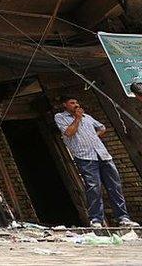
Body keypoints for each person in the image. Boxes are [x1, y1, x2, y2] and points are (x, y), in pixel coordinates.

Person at [54, 95, 139, 228]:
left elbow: (102, 127)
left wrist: (95, 135)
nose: (76, 105)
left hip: (103, 155)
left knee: (114, 186)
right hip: (85, 157)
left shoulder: (87, 117)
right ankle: (96, 220)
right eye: (72, 103)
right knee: (94, 188)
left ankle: (123, 218)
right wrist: (77, 118)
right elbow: (68, 133)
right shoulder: (60, 117)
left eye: (77, 102)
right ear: (65, 105)